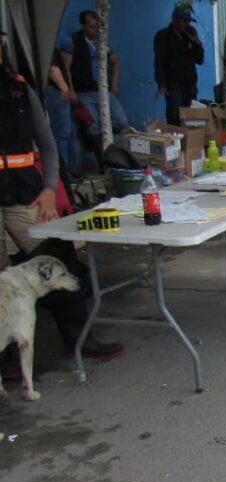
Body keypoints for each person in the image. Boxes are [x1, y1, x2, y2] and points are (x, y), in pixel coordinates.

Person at [0, 37, 123, 362]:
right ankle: (9, 358)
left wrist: (50, 190)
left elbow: (48, 145)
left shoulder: (19, 92)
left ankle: (80, 340)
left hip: (26, 194)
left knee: (60, 260)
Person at [59, 11, 129, 139]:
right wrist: (71, 90)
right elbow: (65, 68)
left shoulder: (101, 42)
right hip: (83, 91)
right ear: (83, 26)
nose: (95, 30)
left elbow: (115, 62)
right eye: (91, 27)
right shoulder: (72, 42)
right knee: (93, 126)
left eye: (97, 27)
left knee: (121, 121)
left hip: (103, 90)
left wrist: (114, 85)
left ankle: (110, 145)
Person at [154, 7, 205, 126]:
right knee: (175, 116)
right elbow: (159, 62)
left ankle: (190, 142)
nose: (187, 25)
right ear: (176, 20)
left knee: (192, 118)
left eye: (189, 22)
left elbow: (200, 60)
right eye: (185, 21)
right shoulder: (163, 36)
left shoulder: (189, 37)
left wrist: (196, 41)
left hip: (190, 84)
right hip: (173, 84)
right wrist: (161, 84)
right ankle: (175, 141)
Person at [46, 50, 77, 175]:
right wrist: (64, 88)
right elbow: (52, 68)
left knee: (69, 133)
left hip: (57, 90)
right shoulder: (47, 44)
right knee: (62, 134)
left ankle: (69, 171)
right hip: (55, 91)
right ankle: (64, 174)